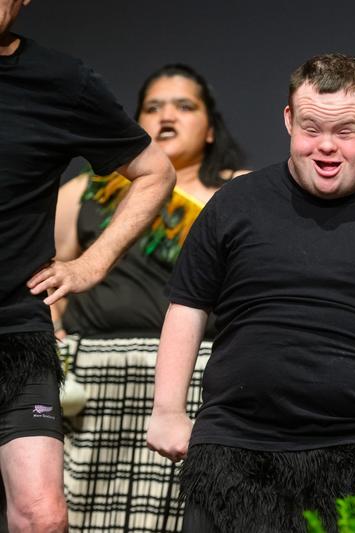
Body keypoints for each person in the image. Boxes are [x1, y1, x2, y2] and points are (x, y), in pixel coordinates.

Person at [146, 53, 355, 532]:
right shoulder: (234, 205)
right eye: (311, 128)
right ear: (287, 119)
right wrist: (168, 410)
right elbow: (187, 306)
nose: (326, 147)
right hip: (235, 455)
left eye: (345, 131)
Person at [0, 1, 175, 530]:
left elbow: (154, 173)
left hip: (15, 334)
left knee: (42, 515)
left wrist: (91, 263)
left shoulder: (59, 81)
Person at [52, 64, 246, 531]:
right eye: (153, 107)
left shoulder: (241, 194)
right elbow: (51, 277)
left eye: (184, 106)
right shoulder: (82, 193)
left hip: (194, 385)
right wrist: (57, 342)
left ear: (210, 127)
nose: (167, 117)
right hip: (94, 388)